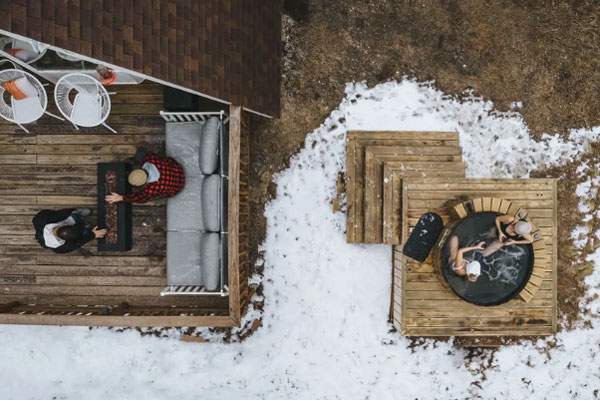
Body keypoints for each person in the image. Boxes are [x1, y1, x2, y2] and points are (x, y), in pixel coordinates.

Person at [105, 151, 185, 204]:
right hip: (177, 169)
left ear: (144, 183)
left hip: (177, 187)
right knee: (141, 154)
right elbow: (148, 153)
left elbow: (140, 198)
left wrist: (121, 197)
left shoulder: (151, 188)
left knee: (151, 196)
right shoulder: (151, 159)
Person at [32, 208, 106, 253]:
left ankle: (80, 215)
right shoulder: (62, 247)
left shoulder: (40, 220)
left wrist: (70, 210)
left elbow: (54, 213)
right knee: (85, 233)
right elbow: (78, 243)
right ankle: (87, 229)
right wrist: (92, 235)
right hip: (66, 227)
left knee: (75, 217)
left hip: (62, 220)